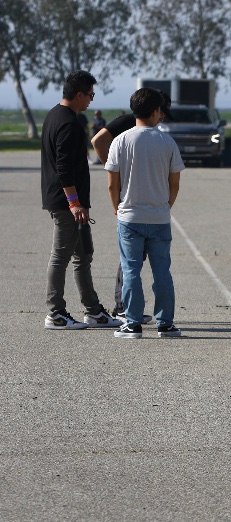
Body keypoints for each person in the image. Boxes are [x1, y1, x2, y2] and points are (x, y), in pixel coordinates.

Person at [41, 70, 122, 330]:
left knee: (83, 256)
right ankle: (55, 313)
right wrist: (74, 203)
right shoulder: (68, 123)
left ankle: (94, 311)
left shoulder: (55, 115)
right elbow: (64, 168)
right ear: (78, 94)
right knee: (61, 257)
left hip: (70, 202)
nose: (91, 100)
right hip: (67, 204)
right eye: (90, 95)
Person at [106, 87, 185, 339]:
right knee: (162, 271)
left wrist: (117, 208)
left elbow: (112, 183)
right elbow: (175, 183)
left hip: (129, 216)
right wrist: (167, 204)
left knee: (131, 271)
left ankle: (132, 322)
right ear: (154, 111)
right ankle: (165, 323)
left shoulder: (121, 141)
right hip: (159, 216)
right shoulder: (167, 142)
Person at [91, 90, 173, 325]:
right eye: (163, 112)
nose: (164, 117)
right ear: (155, 109)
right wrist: (115, 170)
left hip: (132, 204)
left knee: (132, 262)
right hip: (134, 202)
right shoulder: (128, 124)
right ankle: (123, 307)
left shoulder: (151, 133)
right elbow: (97, 141)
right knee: (132, 265)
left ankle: (130, 311)